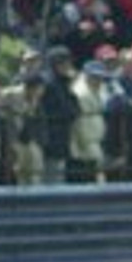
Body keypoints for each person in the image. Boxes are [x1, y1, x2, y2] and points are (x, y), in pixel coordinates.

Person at [40, 45, 81, 183]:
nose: (69, 66)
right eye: (65, 62)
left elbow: (75, 106)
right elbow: (65, 109)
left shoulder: (63, 82)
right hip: (50, 139)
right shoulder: (49, 83)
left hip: (61, 138)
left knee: (58, 174)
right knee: (51, 178)